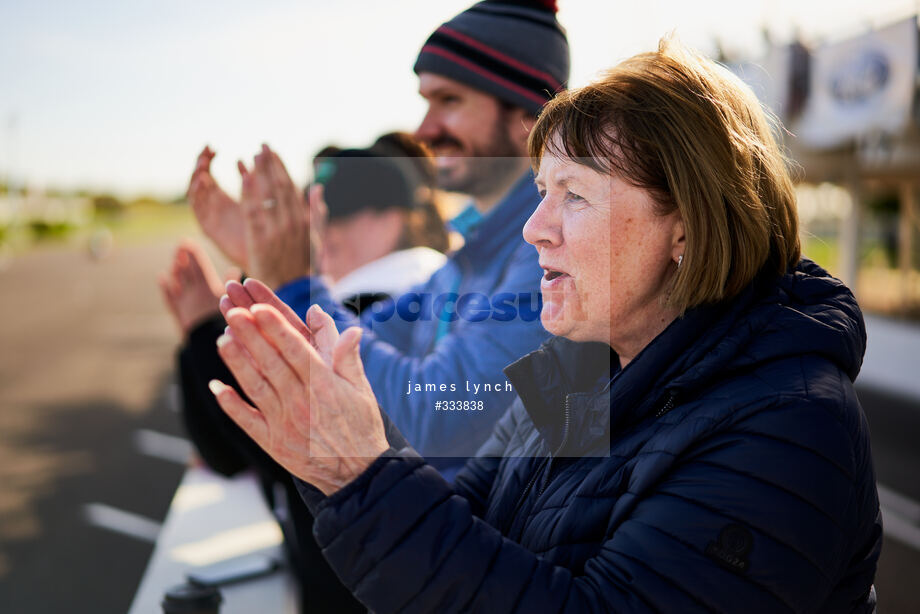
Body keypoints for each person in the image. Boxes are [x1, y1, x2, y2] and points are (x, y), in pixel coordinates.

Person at [209, 39, 882, 613]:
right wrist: (341, 467)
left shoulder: (787, 423)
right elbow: (469, 526)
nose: (535, 230)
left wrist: (361, 475)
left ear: (686, 226)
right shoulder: (577, 367)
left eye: (576, 196)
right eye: (540, 192)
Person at [186, 0, 570, 479]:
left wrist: (295, 280)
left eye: (449, 101)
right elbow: (342, 348)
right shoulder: (466, 257)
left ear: (530, 116)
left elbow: (434, 418)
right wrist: (267, 265)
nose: (425, 130)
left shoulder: (551, 254)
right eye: (426, 102)